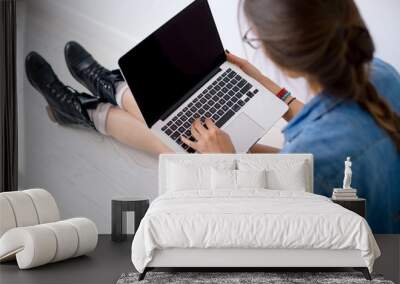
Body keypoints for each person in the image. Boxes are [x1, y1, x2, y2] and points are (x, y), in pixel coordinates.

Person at [25, 0, 399, 233]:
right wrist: (266, 86)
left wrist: (226, 163)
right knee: (184, 129)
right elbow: (333, 123)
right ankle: (111, 93)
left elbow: (265, 229)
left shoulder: (315, 156)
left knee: (182, 144)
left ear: (280, 51)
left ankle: (94, 107)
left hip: (349, 231)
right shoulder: (380, 73)